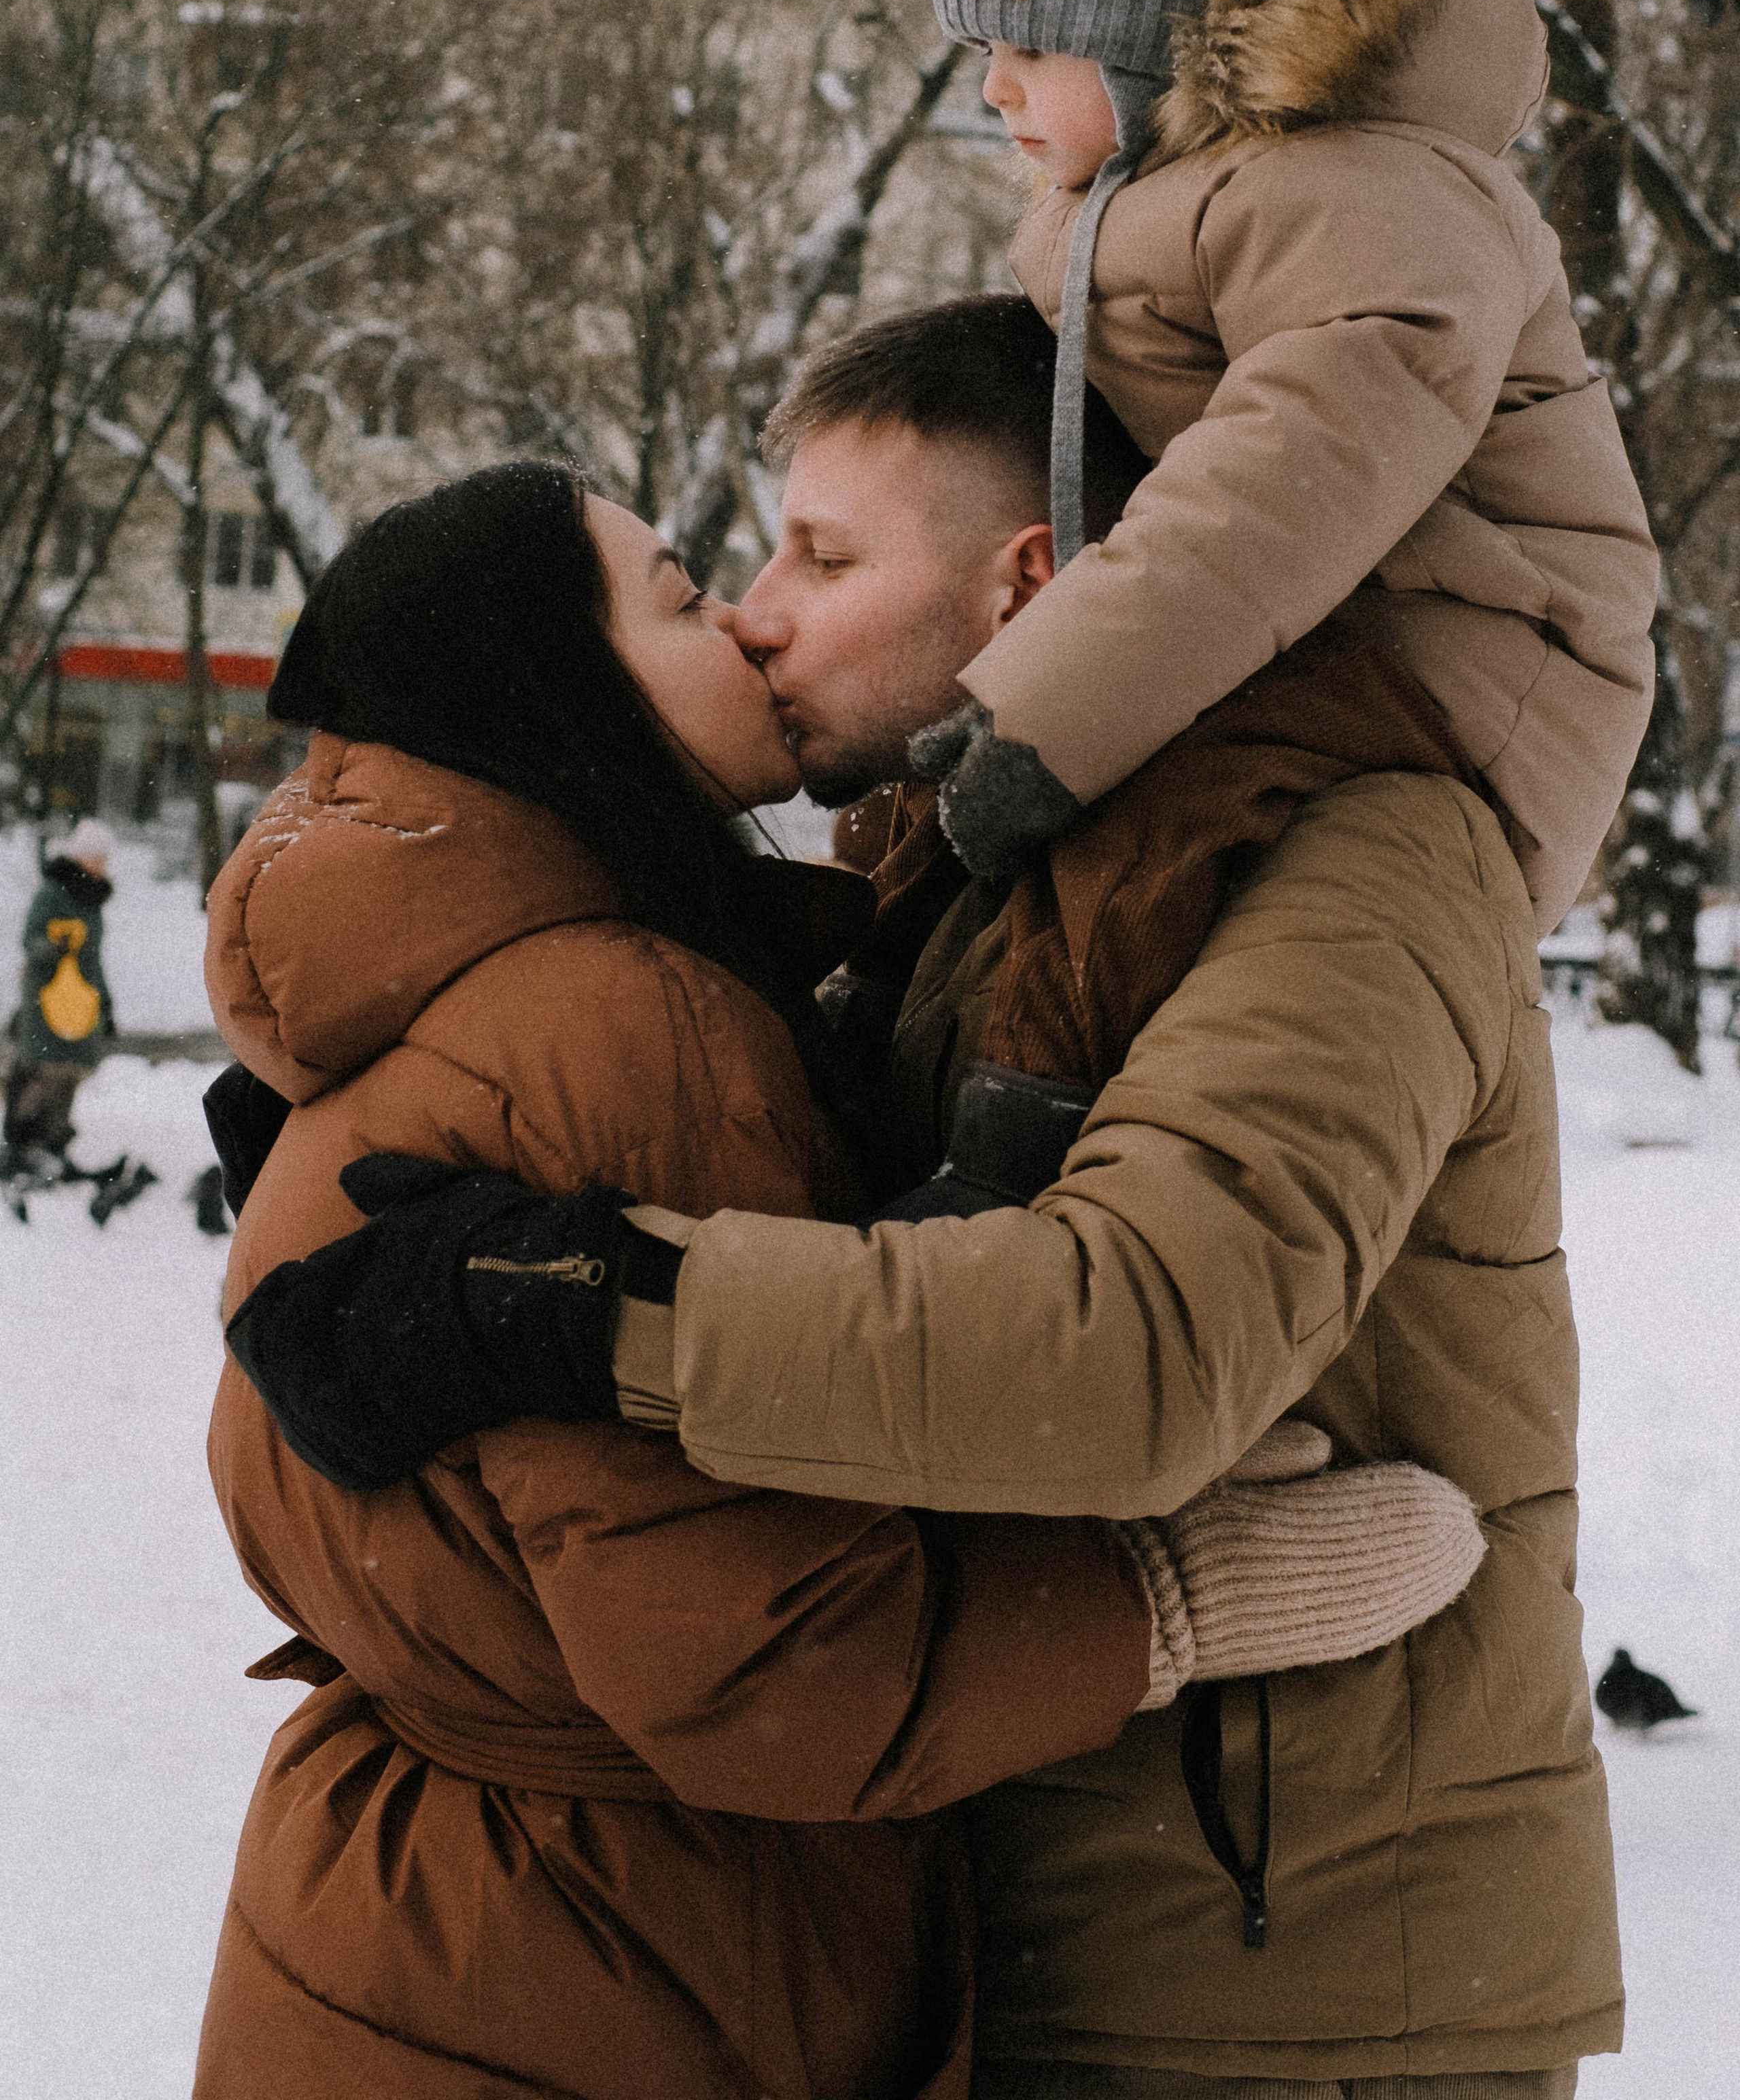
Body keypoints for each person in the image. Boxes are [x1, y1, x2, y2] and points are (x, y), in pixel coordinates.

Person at [229, 305, 1621, 2097]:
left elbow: (1133, 1347)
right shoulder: (963, 877)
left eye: (819, 555)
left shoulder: (1355, 849)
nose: (756, 607)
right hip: (1021, 1908)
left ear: (1025, 587)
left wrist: (579, 1301)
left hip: (1290, 1975)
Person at [911, 0, 1656, 943]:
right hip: (1320, 647)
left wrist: (1046, 714)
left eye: (1030, 40)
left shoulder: (1372, 196)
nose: (994, 84)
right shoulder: (1155, 202)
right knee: (1003, 851)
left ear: (1149, 37)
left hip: (1474, 674)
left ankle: (1009, 1129)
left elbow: (1281, 478)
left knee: (1135, 834)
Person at [4, 816, 116, 1187]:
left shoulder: (93, 901)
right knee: (42, 1069)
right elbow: (30, 939)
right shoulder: (52, 893)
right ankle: (24, 1143)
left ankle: (54, 1143)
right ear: (81, 857)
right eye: (96, 858)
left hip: (81, 998)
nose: (101, 866)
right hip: (44, 996)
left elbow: (94, 958)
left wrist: (107, 1003)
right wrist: (52, 948)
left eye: (104, 859)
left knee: (70, 1070)